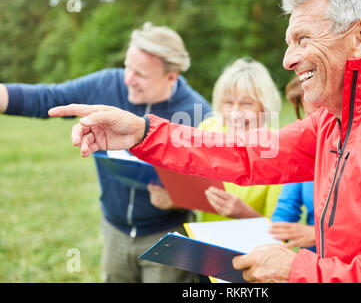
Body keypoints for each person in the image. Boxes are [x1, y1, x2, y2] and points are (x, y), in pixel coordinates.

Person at [49, 0, 361, 283]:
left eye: (303, 38)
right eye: (289, 41)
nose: (289, 58)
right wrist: (142, 133)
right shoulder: (333, 120)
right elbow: (244, 152)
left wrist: (300, 269)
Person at [0, 22, 212, 283]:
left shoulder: (198, 113)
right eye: (127, 66)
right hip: (115, 230)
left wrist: (178, 199)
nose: (127, 79)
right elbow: (48, 97)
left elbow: (213, 188)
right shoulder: (106, 84)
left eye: (140, 74)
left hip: (168, 235)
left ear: (172, 75)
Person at [149, 58, 282, 222]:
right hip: (205, 240)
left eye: (246, 104)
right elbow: (194, 191)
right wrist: (173, 200)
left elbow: (281, 230)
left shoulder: (276, 151)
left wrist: (244, 213)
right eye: (228, 103)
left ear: (264, 106)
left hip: (249, 246)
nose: (235, 113)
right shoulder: (208, 129)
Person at [269, 75, 318, 252]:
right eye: (309, 117)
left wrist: (318, 235)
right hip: (312, 265)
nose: (315, 126)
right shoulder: (307, 153)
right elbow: (284, 213)